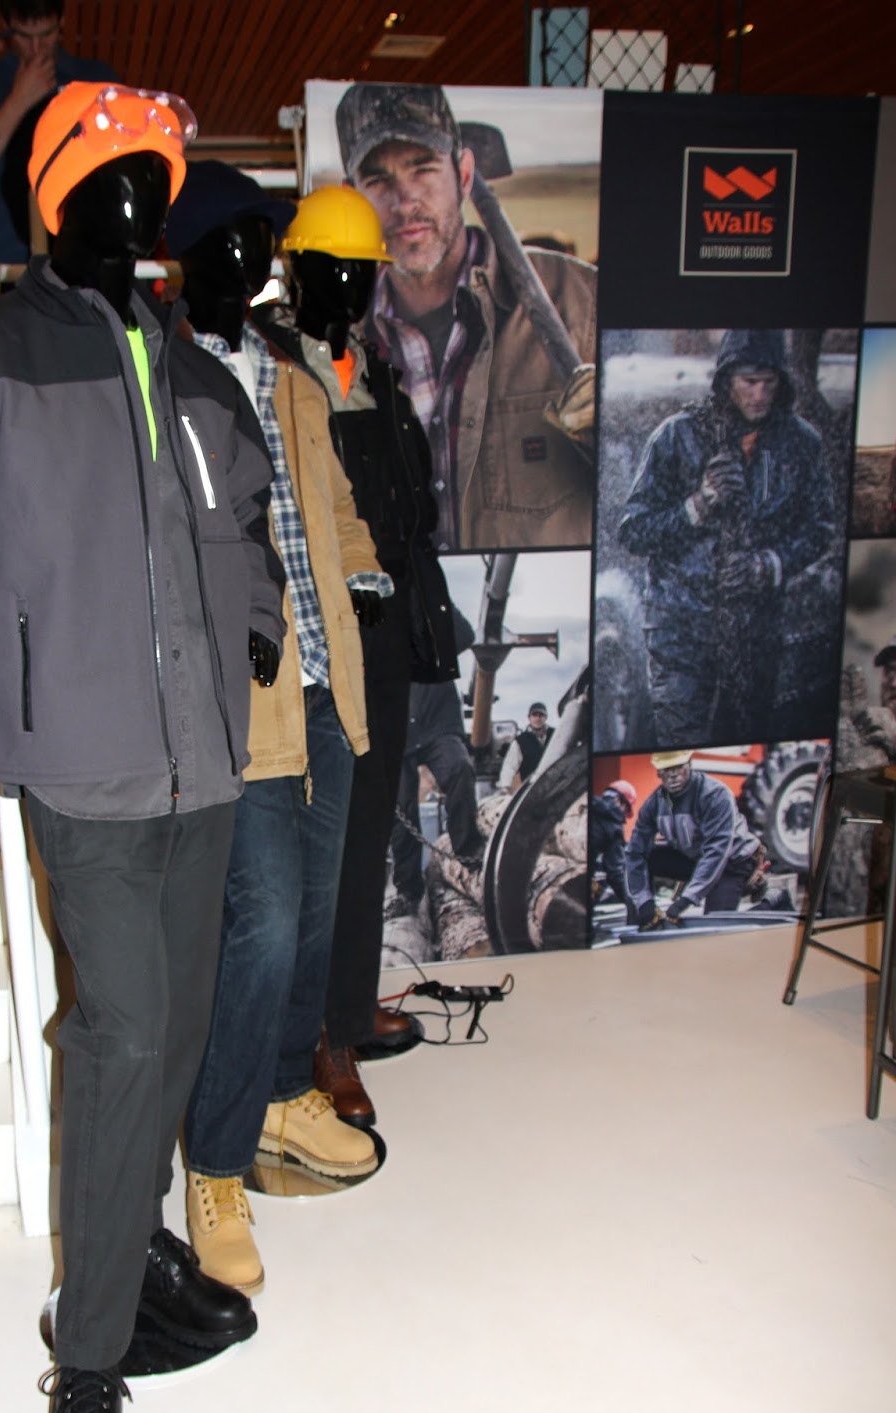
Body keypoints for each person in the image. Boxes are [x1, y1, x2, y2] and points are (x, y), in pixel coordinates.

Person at [0, 81, 287, 1413]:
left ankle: (138, 1243)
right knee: (121, 1038)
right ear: (52, 201)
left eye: (155, 187)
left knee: (175, 1022)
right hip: (86, 764)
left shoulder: (198, 377)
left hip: (204, 762)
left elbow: (248, 524)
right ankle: (90, 1361)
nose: (141, 210)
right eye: (113, 184)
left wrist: (258, 621)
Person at [164, 161, 387, 1298]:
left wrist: (364, 575)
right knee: (257, 925)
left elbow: (331, 503)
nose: (260, 260)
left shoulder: (292, 373)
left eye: (266, 240)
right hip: (239, 695)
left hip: (326, 678)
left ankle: (287, 1097)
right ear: (191, 253)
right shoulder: (160, 376)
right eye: (240, 239)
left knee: (315, 909)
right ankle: (213, 1163)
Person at [257, 183, 456, 1108]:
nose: (349, 285)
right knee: (317, 843)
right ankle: (318, 1039)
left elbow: (409, 506)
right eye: (330, 267)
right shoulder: (264, 370)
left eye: (361, 271)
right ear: (296, 271)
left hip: (384, 624)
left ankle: (346, 1005)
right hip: (312, 633)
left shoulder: (371, 369)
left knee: (369, 825)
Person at [336, 81, 597, 552]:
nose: (405, 201)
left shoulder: (582, 305)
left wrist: (613, 437)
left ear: (464, 173)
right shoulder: (337, 341)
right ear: (350, 196)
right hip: (403, 600)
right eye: (378, 180)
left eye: (423, 170)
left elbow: (659, 490)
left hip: (533, 600)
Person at [618, 329, 837, 748]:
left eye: (769, 382)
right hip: (680, 628)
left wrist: (768, 565)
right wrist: (697, 505)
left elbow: (820, 528)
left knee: (747, 746)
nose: (759, 394)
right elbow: (633, 531)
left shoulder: (800, 443)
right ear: (726, 380)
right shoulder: (676, 436)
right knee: (680, 747)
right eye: (749, 382)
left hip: (758, 631)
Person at [0, 0, 110, 302]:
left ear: (62, 22)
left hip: (79, 264)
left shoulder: (94, 81)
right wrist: (19, 99)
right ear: (6, 26)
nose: (36, 48)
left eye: (46, 34)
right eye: (23, 36)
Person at [391, 605, 485, 919]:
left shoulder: (430, 622)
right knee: (401, 810)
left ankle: (469, 855)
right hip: (397, 731)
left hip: (438, 723)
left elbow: (465, 635)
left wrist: (433, 598)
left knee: (459, 769)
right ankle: (407, 891)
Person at [624, 752, 767, 928]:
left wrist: (686, 899)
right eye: (666, 769)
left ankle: (772, 900)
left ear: (689, 765)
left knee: (715, 926)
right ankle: (641, 923)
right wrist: (643, 902)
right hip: (696, 857)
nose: (673, 775)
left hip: (732, 862)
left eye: (678, 767)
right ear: (658, 773)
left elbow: (717, 851)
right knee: (647, 858)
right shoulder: (654, 804)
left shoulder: (715, 795)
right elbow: (634, 853)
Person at [589, 778, 636, 904]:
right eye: (625, 809)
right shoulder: (614, 824)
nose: (623, 814)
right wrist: (631, 902)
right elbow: (615, 873)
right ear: (618, 801)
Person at [497, 701, 554, 792]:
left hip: (555, 785)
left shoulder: (555, 735)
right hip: (531, 788)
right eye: (534, 715)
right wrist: (505, 786)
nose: (538, 718)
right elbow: (510, 765)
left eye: (541, 715)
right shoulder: (521, 740)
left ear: (546, 717)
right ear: (529, 718)